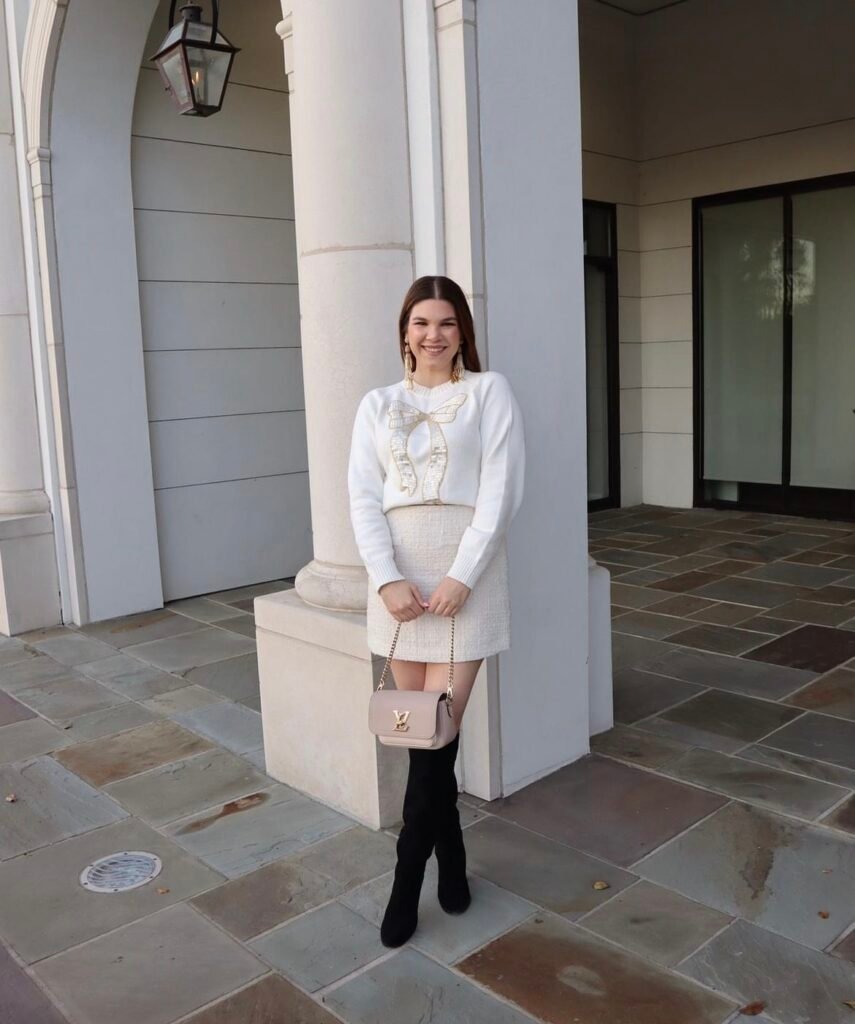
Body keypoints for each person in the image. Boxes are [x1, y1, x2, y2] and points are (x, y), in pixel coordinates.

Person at [347, 274, 526, 948]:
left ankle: (402, 887)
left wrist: (461, 575)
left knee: (435, 736)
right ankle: (450, 865)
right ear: (404, 331)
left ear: (462, 333)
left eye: (446, 323)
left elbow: (501, 491)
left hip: (464, 577)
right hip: (398, 580)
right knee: (425, 737)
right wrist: (387, 579)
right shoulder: (376, 403)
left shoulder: (488, 392)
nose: (432, 334)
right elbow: (363, 497)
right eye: (421, 322)